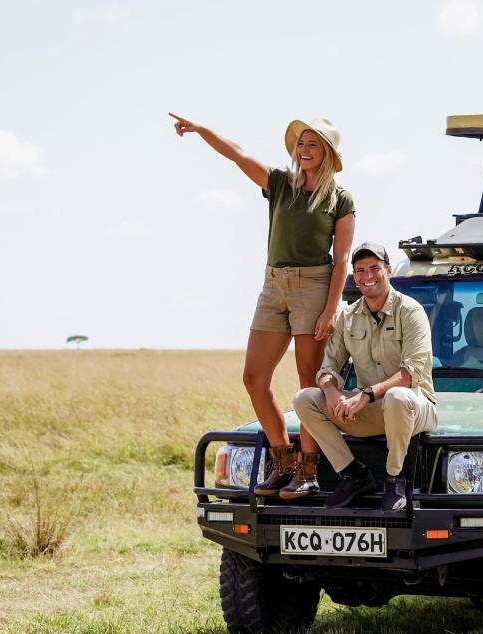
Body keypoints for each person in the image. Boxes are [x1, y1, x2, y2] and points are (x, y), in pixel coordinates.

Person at [169, 113, 355, 494]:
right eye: (300, 143)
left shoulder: (340, 199)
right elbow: (237, 154)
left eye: (312, 144)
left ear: (328, 153)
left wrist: (330, 309)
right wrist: (202, 129)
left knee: (308, 385)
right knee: (254, 379)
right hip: (273, 284)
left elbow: (343, 258)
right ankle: (283, 460)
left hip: (315, 285)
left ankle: (307, 471)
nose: (304, 150)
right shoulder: (280, 183)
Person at [288, 242, 437, 511]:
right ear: (355, 277)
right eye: (361, 270)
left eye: (374, 268)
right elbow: (327, 367)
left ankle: (394, 479)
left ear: (388, 271)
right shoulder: (348, 316)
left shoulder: (411, 311)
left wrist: (365, 394)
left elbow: (411, 372)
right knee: (304, 399)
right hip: (370, 409)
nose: (368, 276)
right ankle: (354, 475)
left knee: (397, 397)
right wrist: (333, 394)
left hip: (415, 407)